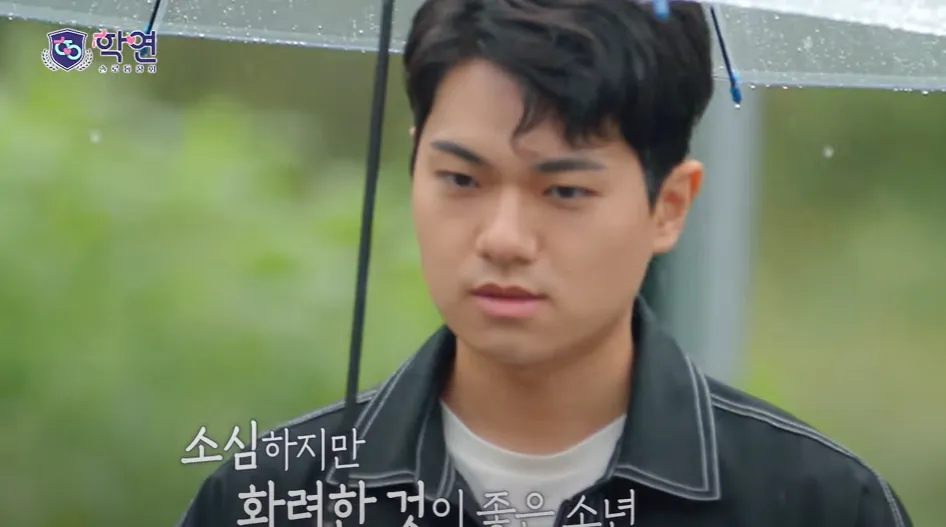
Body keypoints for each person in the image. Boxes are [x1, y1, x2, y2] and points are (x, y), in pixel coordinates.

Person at [178, 0, 912, 525]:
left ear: (669, 206)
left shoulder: (816, 503)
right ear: (412, 165)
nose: (503, 238)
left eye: (563, 190)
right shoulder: (269, 497)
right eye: (461, 179)